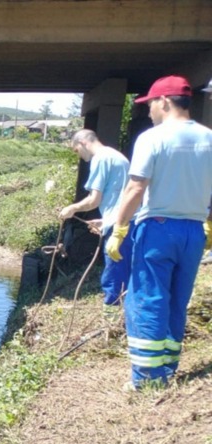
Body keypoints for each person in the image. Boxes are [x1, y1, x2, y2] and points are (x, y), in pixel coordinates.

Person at [105, 75, 212, 390]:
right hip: (194, 231)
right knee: (178, 299)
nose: (148, 110)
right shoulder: (209, 138)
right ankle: (167, 367)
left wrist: (118, 229)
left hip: (158, 229)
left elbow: (136, 187)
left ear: (164, 101)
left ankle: (147, 379)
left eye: (149, 103)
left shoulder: (153, 138)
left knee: (148, 297)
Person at [58, 129, 132, 319]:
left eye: (76, 150)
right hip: (126, 219)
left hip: (119, 225)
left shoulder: (100, 158)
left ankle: (111, 317)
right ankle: (123, 313)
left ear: (82, 142)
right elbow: (120, 196)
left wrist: (72, 209)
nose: (80, 157)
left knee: (114, 271)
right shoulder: (117, 156)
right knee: (127, 268)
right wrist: (104, 220)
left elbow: (94, 200)